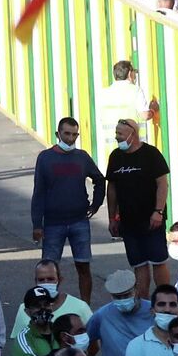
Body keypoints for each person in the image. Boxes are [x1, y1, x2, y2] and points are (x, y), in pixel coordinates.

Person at [30, 116, 106, 303]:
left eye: (74, 134)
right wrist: (37, 225)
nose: (70, 138)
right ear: (58, 134)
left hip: (79, 221)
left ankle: (85, 307)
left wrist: (95, 204)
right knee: (48, 269)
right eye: (67, 134)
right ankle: (47, 306)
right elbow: (38, 192)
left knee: (83, 266)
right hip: (53, 223)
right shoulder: (45, 158)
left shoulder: (82, 157)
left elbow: (99, 179)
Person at [103, 119, 171, 300]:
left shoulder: (151, 154)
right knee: (139, 264)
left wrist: (158, 211)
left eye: (120, 134)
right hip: (128, 221)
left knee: (158, 261)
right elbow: (112, 187)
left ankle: (166, 300)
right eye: (116, 133)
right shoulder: (116, 156)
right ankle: (143, 301)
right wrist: (112, 217)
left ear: (133, 134)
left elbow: (162, 184)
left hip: (151, 219)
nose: (117, 137)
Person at [85, 269, 154, 356]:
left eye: (126, 295)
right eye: (117, 297)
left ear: (136, 289)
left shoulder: (153, 311)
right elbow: (87, 342)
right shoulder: (101, 316)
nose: (122, 300)